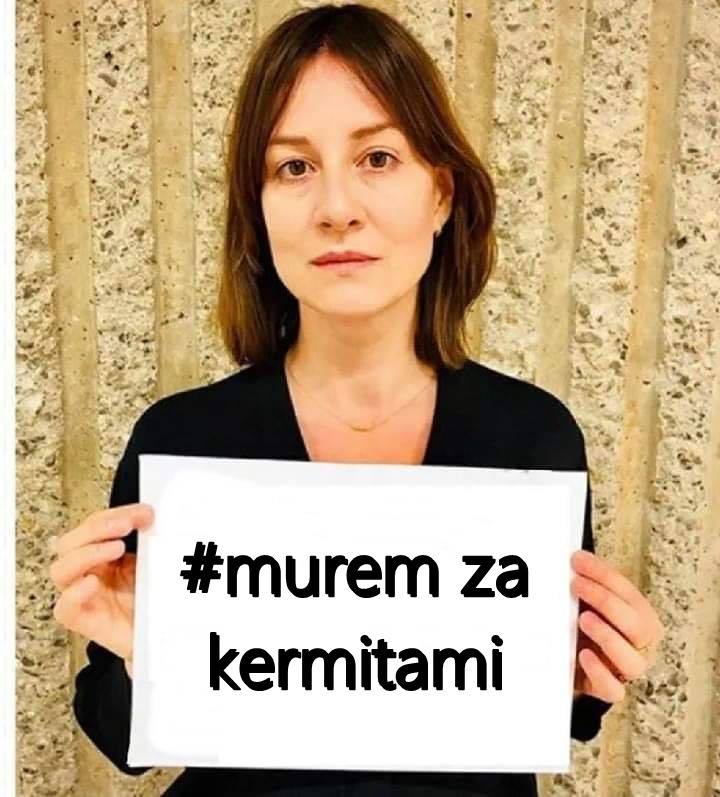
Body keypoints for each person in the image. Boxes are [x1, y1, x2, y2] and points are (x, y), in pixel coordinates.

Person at [49, 4, 664, 795]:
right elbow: (121, 735)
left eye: (377, 157)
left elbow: (551, 706)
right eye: (293, 167)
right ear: (257, 206)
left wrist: (587, 672)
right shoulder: (186, 442)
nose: (336, 207)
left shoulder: (531, 435)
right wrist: (143, 654)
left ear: (441, 193)